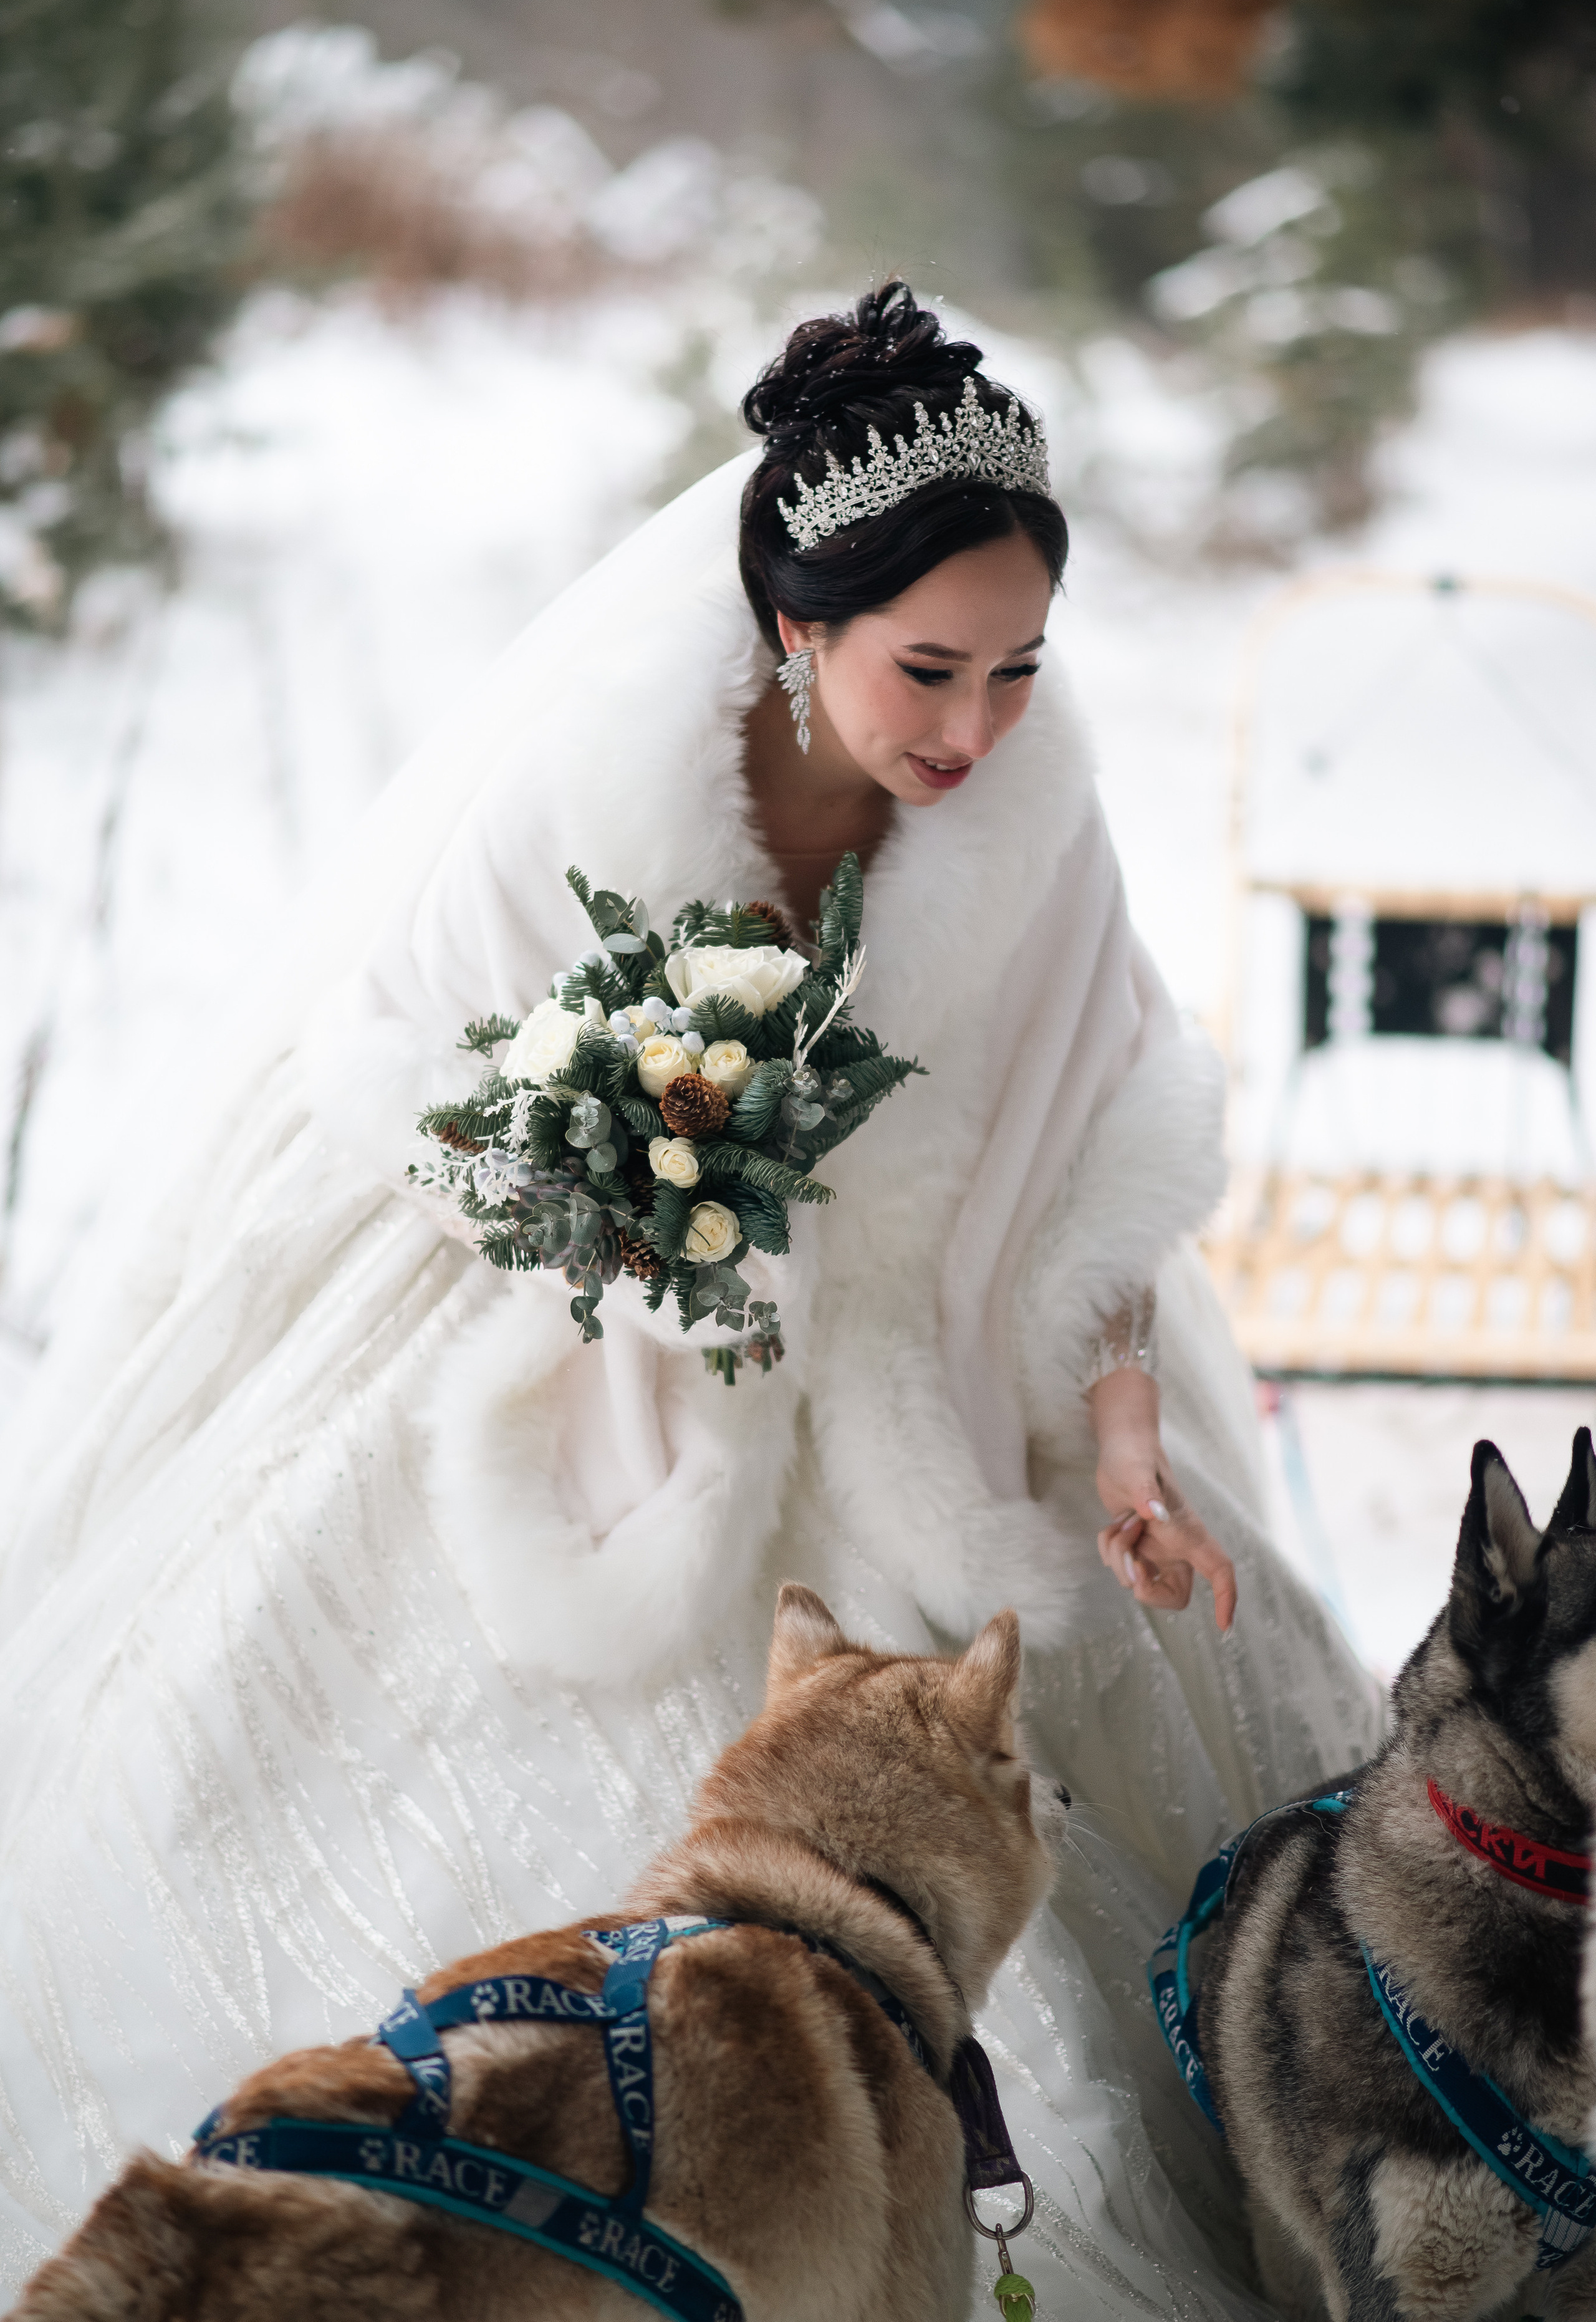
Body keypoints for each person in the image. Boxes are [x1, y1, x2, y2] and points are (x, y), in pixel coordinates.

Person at [0, 284, 1380, 2314]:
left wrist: (1120, 1439)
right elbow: (412, 1077)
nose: (974, 727)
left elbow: (1096, 1150)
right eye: (928, 668)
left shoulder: (1023, 803)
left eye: (1019, 668)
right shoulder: (601, 770)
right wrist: (616, 1207)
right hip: (574, 1287)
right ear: (794, 624)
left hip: (919, 1337)